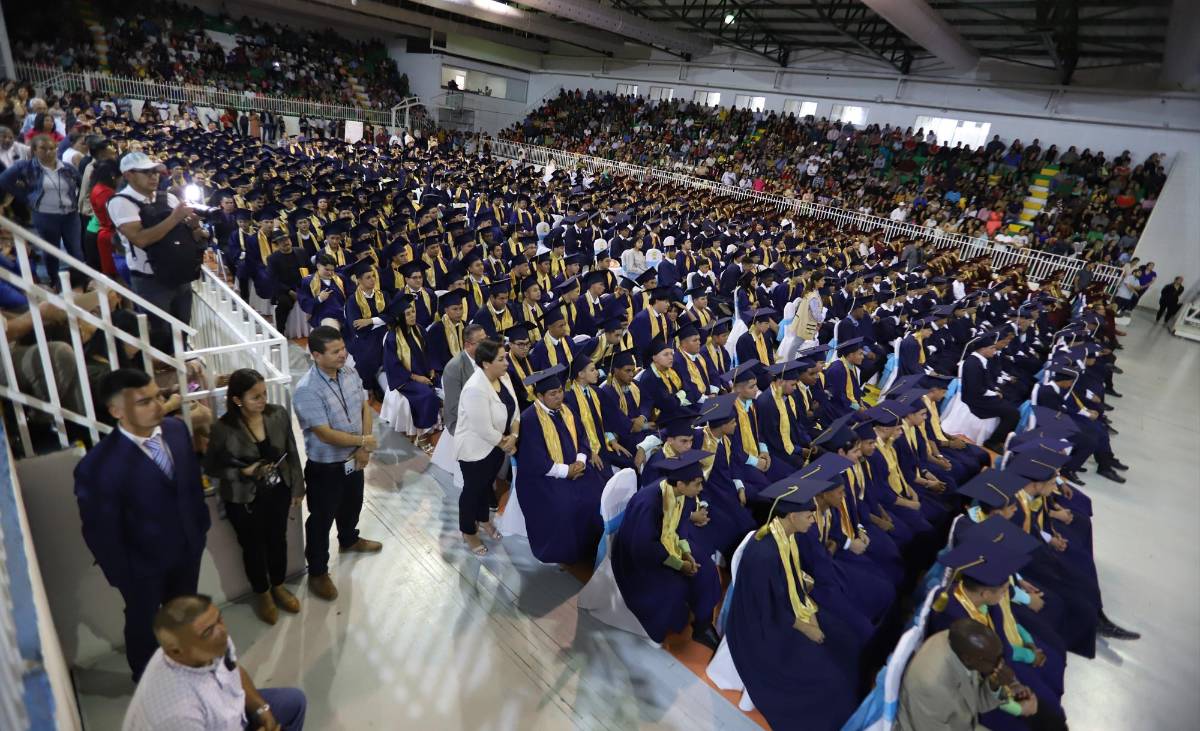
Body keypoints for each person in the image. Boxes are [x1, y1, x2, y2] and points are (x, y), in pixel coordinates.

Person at [74, 369, 211, 680]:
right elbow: (100, 532)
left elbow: (189, 485)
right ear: (116, 411)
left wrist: (199, 527)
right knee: (144, 624)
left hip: (188, 548)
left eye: (159, 397)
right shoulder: (97, 467)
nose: (157, 405)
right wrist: (126, 576)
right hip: (142, 569)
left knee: (185, 613)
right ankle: (148, 679)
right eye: (144, 401)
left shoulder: (176, 430)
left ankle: (187, 664)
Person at [726, 478, 866, 731]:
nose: (814, 519)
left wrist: (807, 606)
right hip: (763, 627)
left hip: (789, 607)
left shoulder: (786, 535)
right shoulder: (763, 553)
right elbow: (764, 606)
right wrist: (806, 627)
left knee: (846, 639)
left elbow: (786, 579)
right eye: (809, 514)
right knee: (828, 678)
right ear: (791, 516)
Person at [204, 369, 305, 626]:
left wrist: (297, 487)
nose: (262, 401)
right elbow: (212, 468)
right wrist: (242, 471)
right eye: (255, 397)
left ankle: (279, 585)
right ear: (238, 400)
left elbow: (292, 451)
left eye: (264, 394)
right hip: (244, 499)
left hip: (278, 491)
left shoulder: (277, 414)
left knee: (277, 540)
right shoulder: (223, 428)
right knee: (253, 548)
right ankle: (263, 594)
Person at [121, 594, 306, 731]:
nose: (222, 631)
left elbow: (233, 670)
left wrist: (261, 709)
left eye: (219, 619)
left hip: (227, 715)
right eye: (208, 631)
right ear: (175, 651)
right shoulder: (179, 715)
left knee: (293, 701)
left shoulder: (210, 640)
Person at [292, 326, 383, 602]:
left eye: (343, 348)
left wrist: (363, 445)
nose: (343, 355)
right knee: (321, 518)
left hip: (354, 458)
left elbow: (364, 407)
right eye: (335, 352)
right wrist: (363, 442)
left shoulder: (350, 372)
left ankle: (349, 539)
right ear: (316, 355)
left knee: (353, 502)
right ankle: (318, 571)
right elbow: (325, 433)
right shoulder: (307, 389)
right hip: (327, 466)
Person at [612, 449, 723, 650]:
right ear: (681, 484)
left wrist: (686, 552)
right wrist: (680, 565)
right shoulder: (650, 502)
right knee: (675, 585)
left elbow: (679, 529)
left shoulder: (680, 494)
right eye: (697, 483)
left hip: (666, 543)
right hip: (636, 557)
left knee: (706, 569)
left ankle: (703, 625)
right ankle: (659, 629)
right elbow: (644, 547)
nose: (701, 488)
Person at [513, 364, 605, 564]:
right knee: (564, 506)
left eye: (560, 391)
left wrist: (580, 461)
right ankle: (567, 555)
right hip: (543, 477)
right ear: (539, 396)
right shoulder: (529, 419)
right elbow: (534, 459)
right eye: (552, 394)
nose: (559, 397)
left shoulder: (567, 411)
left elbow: (582, 438)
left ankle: (592, 545)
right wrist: (566, 472)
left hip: (575, 467)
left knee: (596, 492)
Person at [107, 151, 208, 332]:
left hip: (180, 274)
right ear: (128, 175)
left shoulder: (167, 197)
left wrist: (195, 228)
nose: (153, 176)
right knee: (159, 335)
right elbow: (141, 239)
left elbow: (181, 235)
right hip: (151, 280)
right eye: (146, 172)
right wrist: (175, 217)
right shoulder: (120, 202)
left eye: (155, 172)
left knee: (183, 330)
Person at [897, 619, 1036, 731]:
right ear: (969, 659)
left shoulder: (963, 647)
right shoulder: (930, 687)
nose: (1000, 665)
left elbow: (978, 703)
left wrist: (996, 684)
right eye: (995, 661)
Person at [454, 338, 520, 555]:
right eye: (501, 359)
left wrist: (515, 434)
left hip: (496, 446)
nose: (506, 363)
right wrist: (508, 444)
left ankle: (483, 519)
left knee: (486, 485)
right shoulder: (475, 388)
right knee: (472, 491)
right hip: (475, 449)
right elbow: (483, 429)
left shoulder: (505, 377)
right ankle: (467, 531)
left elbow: (515, 408)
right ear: (485, 364)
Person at [0, 132, 82, 281]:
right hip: (45, 215)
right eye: (43, 148)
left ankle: (80, 281)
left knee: (76, 251)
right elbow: (4, 180)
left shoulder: (67, 168)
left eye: (52, 148)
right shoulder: (26, 167)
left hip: (70, 215)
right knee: (51, 251)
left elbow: (81, 184)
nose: (49, 152)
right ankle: (54, 281)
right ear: (34, 150)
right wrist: (25, 195)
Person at [441, 323, 484, 436]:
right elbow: (455, 406)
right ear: (467, 345)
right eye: (481, 342)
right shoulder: (454, 368)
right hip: (463, 421)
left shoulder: (487, 359)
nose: (486, 345)